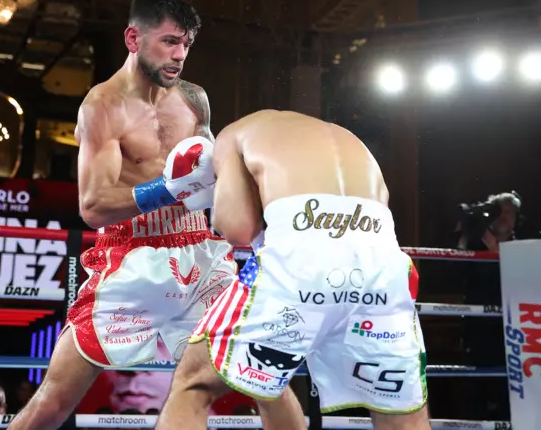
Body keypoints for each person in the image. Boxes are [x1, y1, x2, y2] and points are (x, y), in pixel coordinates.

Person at [8, 0, 241, 430]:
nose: (180, 54)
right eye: (169, 41)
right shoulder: (103, 106)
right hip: (132, 259)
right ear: (134, 39)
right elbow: (93, 206)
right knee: (53, 403)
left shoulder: (194, 99)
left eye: (187, 43)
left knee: (256, 372)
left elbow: (215, 175)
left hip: (199, 253)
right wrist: (171, 189)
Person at [156, 110, 431, 430]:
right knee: (400, 413)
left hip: (302, 260)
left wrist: (217, 206)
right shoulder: (345, 138)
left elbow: (238, 230)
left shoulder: (230, 137)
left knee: (195, 384)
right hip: (383, 268)